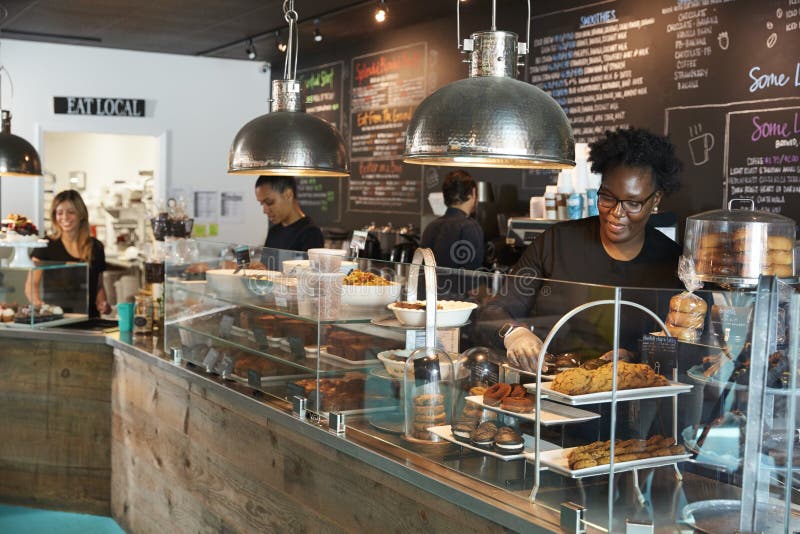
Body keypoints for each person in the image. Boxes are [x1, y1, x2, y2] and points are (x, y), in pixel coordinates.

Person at [481, 127, 684, 372]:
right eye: (607, 198)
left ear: (656, 200)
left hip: (632, 398)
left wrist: (636, 356)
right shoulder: (557, 243)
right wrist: (514, 333)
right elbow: (494, 310)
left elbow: (681, 343)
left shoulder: (671, 262)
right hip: (553, 391)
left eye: (633, 203)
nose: (617, 213)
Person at [27, 190, 111, 318]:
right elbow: (31, 284)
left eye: (71, 212)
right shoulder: (45, 246)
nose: (65, 217)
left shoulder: (96, 247)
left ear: (81, 214)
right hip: (56, 319)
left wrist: (102, 303)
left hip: (89, 320)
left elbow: (98, 286)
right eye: (59, 213)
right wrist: (39, 305)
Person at [421, 170, 484, 271]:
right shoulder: (470, 227)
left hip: (429, 286)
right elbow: (472, 273)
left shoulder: (431, 227)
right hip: (460, 286)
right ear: (472, 193)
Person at [255, 175, 324, 252]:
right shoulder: (273, 232)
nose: (265, 211)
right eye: (262, 203)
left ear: (288, 195)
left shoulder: (310, 233)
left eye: (269, 202)